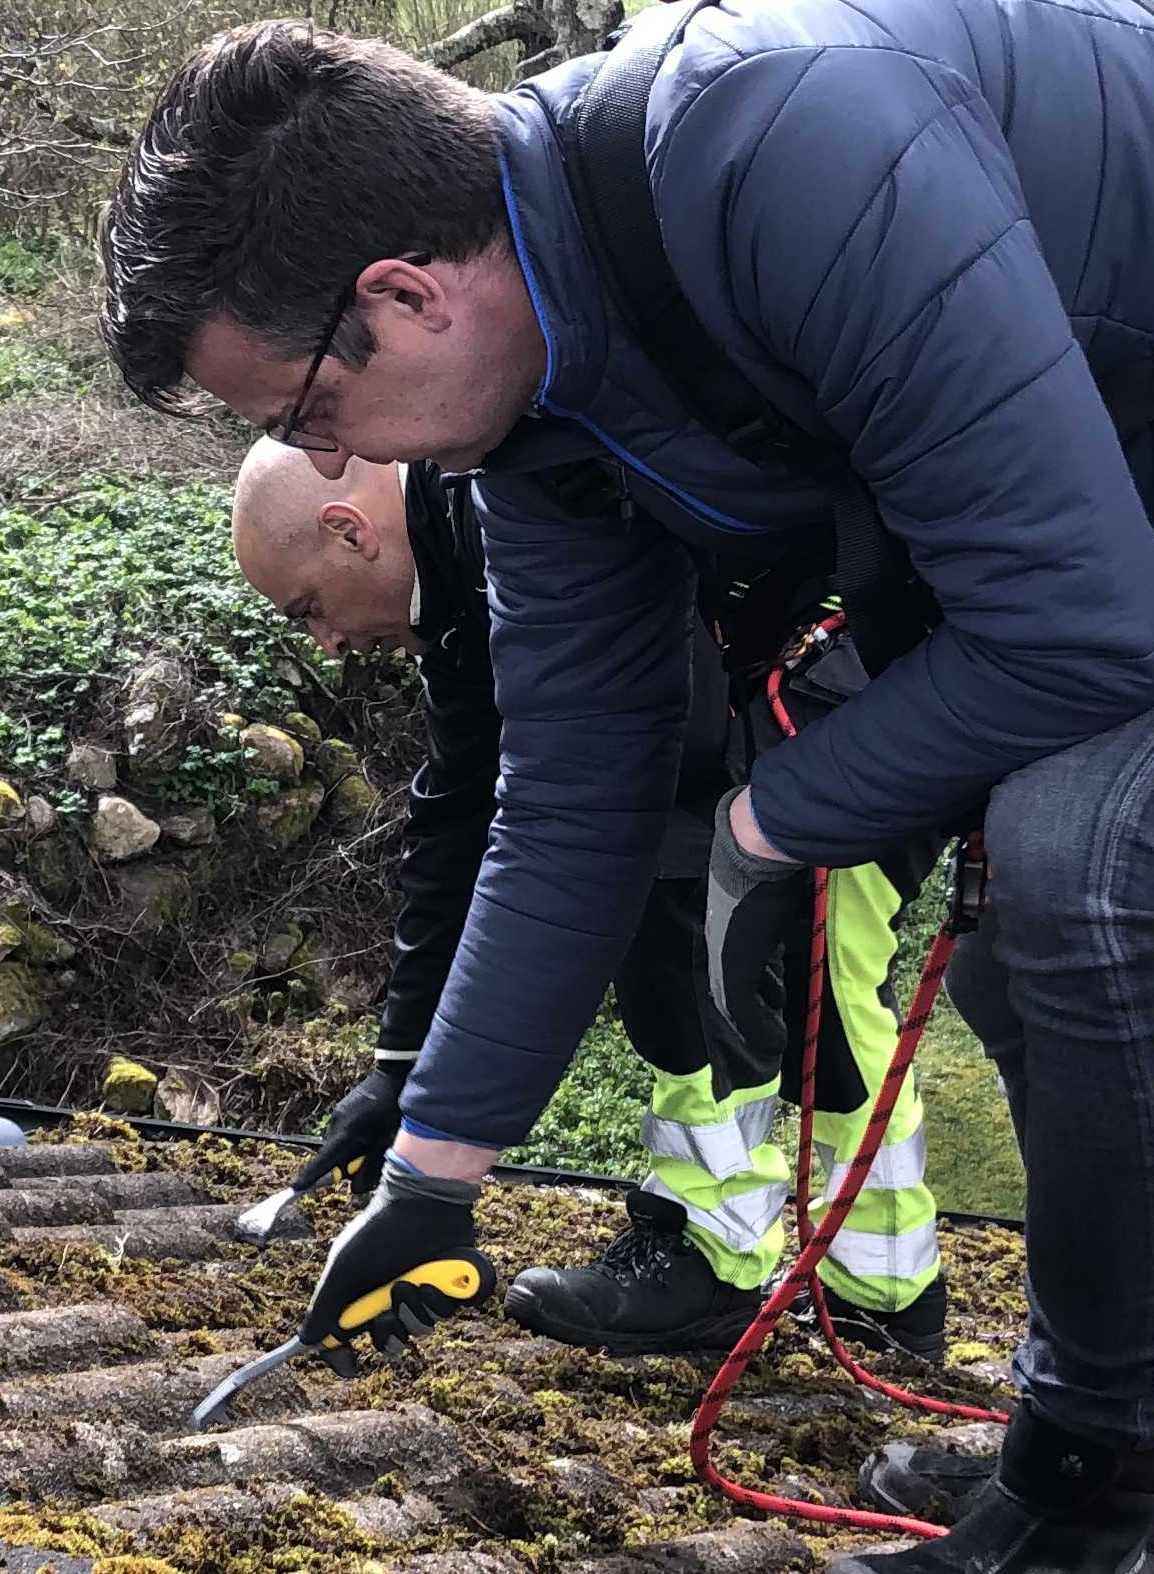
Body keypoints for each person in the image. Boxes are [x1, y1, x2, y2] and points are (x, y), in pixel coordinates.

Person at [101, 0, 1154, 1574]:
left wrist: (767, 820)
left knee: (1085, 849)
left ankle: (1096, 1499)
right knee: (1011, 940)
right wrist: (436, 1172)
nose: (329, 450)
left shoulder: (774, 142)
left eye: (301, 411)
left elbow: (1075, 630)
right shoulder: (541, 425)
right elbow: (567, 796)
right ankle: (1130, 1428)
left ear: (406, 297)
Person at [229, 438, 944, 1362]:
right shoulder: (453, 573)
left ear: (348, 530)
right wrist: (402, 1072)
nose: (327, 642)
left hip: (846, 679)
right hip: (740, 708)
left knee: (793, 969)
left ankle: (827, 1285)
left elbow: (643, 758)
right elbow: (457, 816)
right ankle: (782, 1266)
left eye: (310, 609)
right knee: (687, 906)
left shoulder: (509, 507)